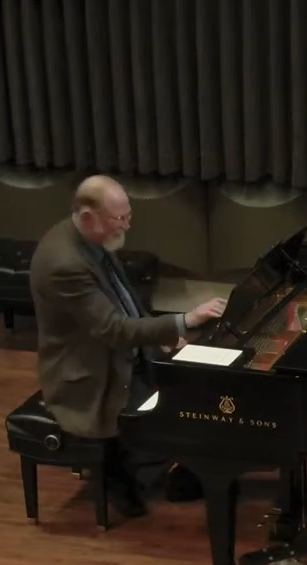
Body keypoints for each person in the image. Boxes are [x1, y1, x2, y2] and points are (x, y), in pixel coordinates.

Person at [28, 175, 227, 518]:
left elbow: (126, 304)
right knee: (180, 405)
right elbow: (113, 329)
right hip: (90, 374)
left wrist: (165, 334)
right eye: (119, 219)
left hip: (121, 353)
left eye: (128, 216)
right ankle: (124, 473)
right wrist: (184, 320)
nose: (127, 225)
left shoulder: (95, 241)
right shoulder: (66, 263)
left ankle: (183, 465)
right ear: (89, 217)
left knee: (204, 382)